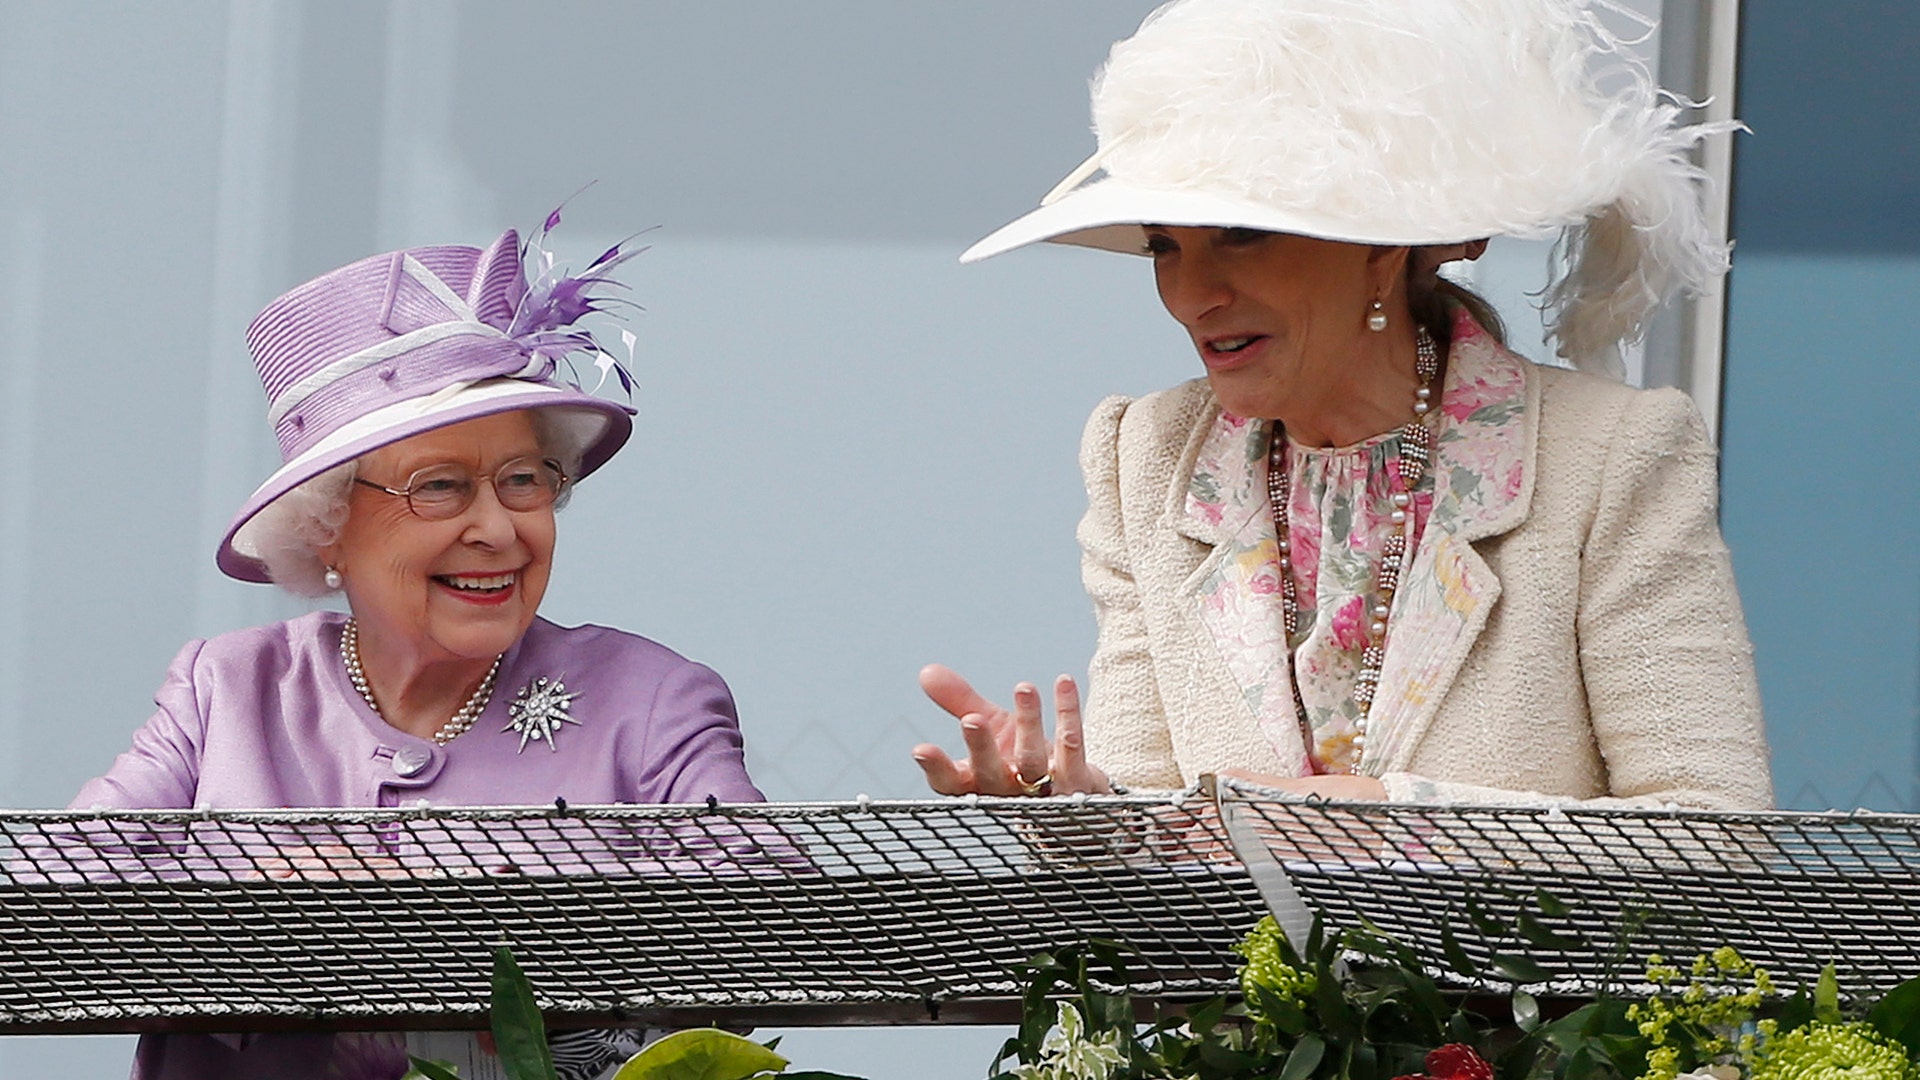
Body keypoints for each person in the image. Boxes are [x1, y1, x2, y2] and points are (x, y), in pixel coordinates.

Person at [913, 0, 1772, 809]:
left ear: (1381, 248)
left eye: (1242, 233)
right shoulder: (1147, 454)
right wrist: (1082, 821)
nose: (1192, 294)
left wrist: (1386, 819)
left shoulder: (1613, 455)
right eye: (1163, 246)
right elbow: (1161, 826)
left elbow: (1711, 832)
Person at [69, 220, 762, 1079]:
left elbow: (764, 915)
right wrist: (263, 896)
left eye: (523, 479)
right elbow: (54, 898)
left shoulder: (650, 700)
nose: (497, 527)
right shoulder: (228, 690)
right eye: (440, 487)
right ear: (327, 526)